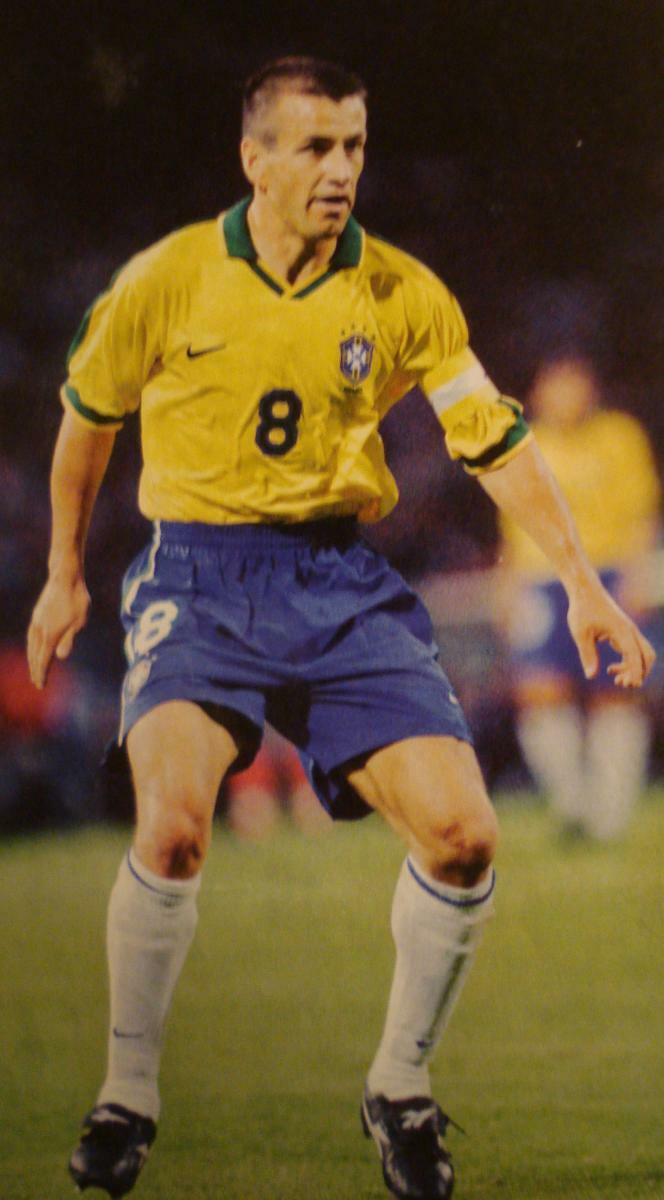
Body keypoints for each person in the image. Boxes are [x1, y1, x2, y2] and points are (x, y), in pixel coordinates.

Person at [27, 57, 655, 1200]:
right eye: (315, 146)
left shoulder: (403, 292)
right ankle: (127, 1092)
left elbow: (494, 442)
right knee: (172, 828)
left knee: (464, 837)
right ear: (254, 158)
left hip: (336, 580)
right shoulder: (164, 281)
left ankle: (399, 1088)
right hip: (200, 576)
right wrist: (64, 572)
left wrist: (583, 583)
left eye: (354, 146)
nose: (339, 169)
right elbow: (86, 425)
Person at [500, 357, 661, 840]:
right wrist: (507, 582)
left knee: (616, 692)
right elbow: (513, 521)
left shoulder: (619, 436)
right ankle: (570, 801)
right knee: (539, 691)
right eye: (556, 384)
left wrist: (639, 573)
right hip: (543, 578)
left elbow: (643, 512)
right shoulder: (525, 442)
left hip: (607, 572)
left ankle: (610, 813)